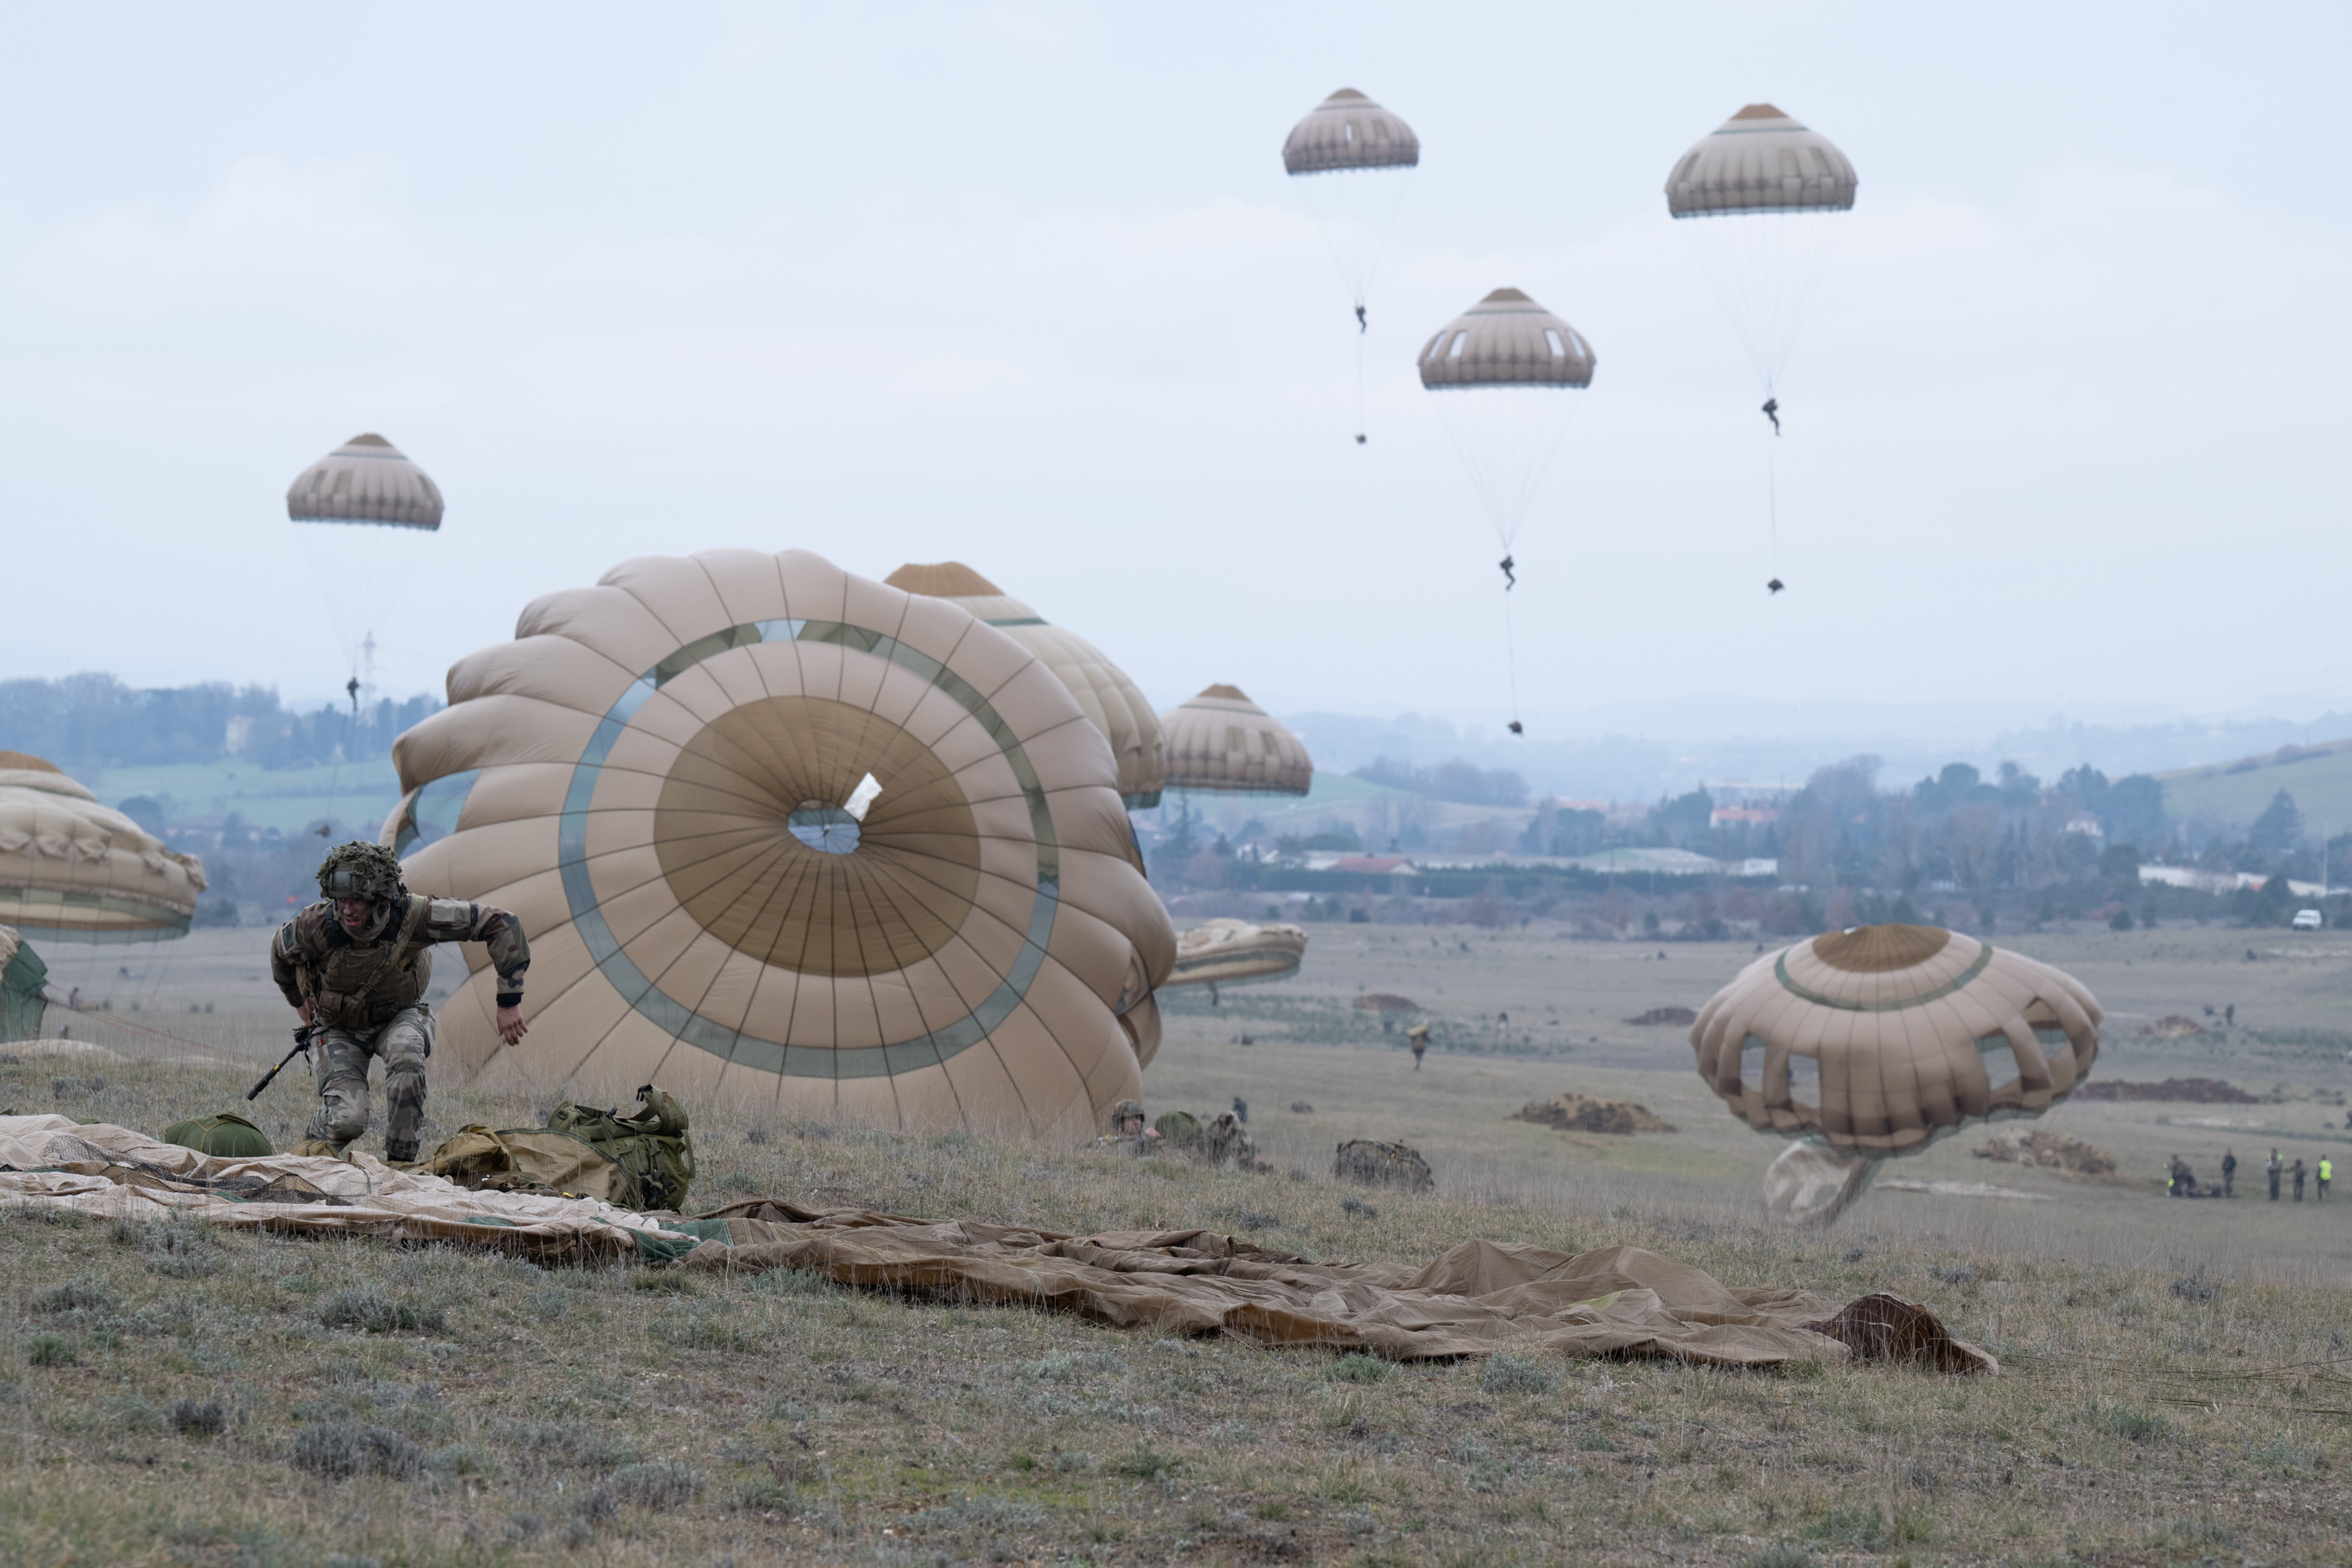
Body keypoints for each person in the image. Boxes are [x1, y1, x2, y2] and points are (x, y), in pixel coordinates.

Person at [270, 843, 530, 1164]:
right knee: (347, 1120)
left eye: (358, 901)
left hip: (399, 1016)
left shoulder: (416, 916)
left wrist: (509, 1001)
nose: (348, 910)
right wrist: (298, 1002)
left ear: (381, 898)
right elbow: (280, 953)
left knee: (406, 1055)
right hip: (338, 1028)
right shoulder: (316, 926)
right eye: (341, 900)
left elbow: (501, 923)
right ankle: (308, 1159)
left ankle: (400, 1166)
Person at [1090, 1098, 1161, 1155]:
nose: (1136, 1122)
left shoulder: (1149, 1137)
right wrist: (1146, 1139)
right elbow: (1122, 1150)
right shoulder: (1110, 1141)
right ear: (1120, 1123)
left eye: (1137, 1117)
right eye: (1130, 1118)